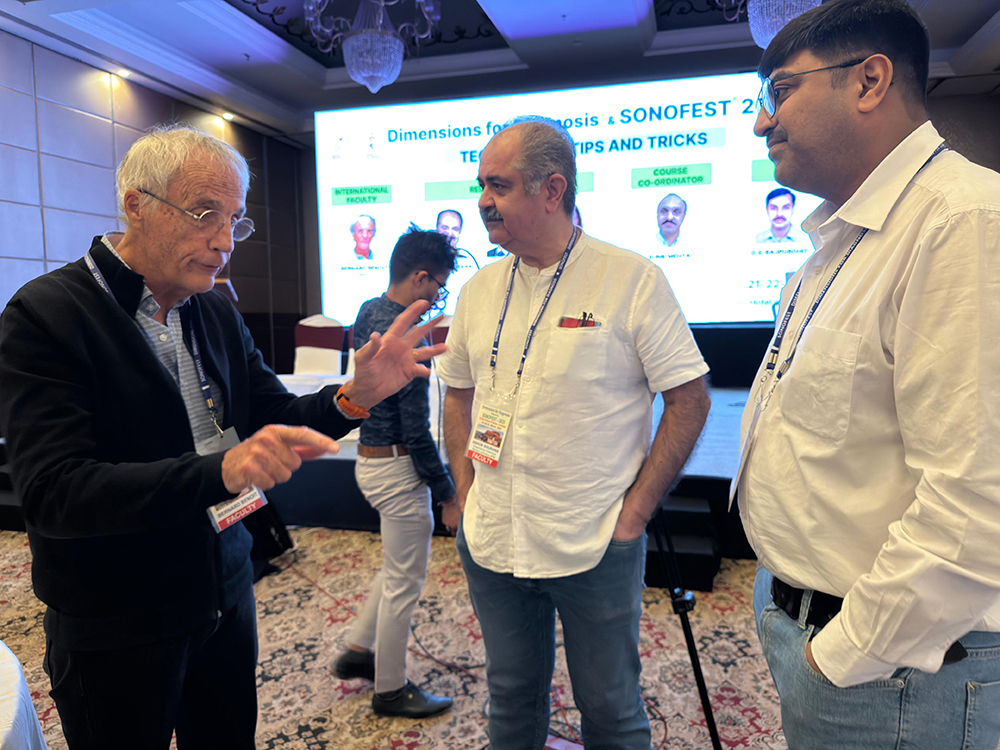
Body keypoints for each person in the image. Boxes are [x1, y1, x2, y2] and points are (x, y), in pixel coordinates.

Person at [0, 124, 446, 750]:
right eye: (205, 214)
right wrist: (222, 471)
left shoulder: (211, 308)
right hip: (120, 614)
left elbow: (275, 415)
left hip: (225, 587)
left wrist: (356, 396)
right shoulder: (46, 314)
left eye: (235, 220)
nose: (224, 241)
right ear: (136, 204)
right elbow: (56, 493)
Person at [737, 2, 1000, 748]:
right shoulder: (840, 239)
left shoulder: (963, 224)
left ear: (869, 81)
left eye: (780, 91)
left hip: (898, 667)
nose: (761, 123)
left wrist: (844, 656)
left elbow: (979, 503)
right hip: (819, 623)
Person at [437, 116, 711, 750]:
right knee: (510, 698)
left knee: (610, 708)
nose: (482, 201)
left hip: (594, 539)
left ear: (552, 190)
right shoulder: (479, 289)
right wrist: (466, 489)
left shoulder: (631, 279)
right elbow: (458, 393)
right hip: (493, 537)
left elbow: (689, 399)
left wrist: (634, 515)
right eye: (480, 186)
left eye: (499, 185)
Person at [332, 230, 457, 718]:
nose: (439, 297)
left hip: (370, 461)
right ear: (420, 277)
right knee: (405, 582)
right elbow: (416, 432)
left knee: (395, 568)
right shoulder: (403, 336)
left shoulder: (368, 309)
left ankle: (358, 650)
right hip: (398, 466)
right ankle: (390, 690)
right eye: (439, 286)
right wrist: (447, 493)